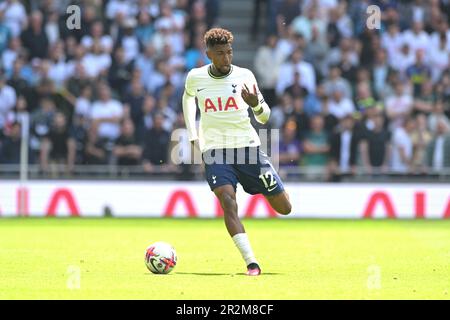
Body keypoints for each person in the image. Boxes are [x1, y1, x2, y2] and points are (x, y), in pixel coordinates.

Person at [182, 28, 292, 276]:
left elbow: (265, 117)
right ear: (209, 54)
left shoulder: (245, 76)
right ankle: (251, 262)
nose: (226, 58)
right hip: (215, 150)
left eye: (229, 52)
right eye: (220, 54)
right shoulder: (195, 78)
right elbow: (187, 99)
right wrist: (192, 134)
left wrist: (256, 105)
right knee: (228, 202)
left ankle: (262, 182)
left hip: (247, 148)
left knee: (284, 208)